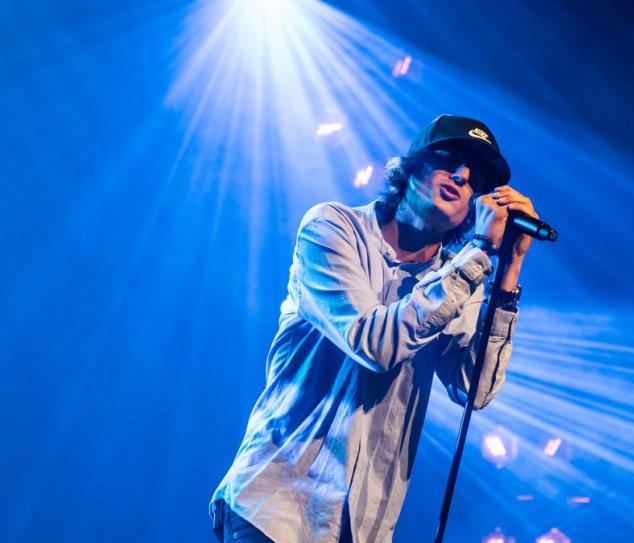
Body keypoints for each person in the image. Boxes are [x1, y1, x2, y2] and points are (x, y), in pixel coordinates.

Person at [210, 114, 538, 543]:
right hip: (276, 507)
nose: (461, 177)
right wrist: (477, 254)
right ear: (412, 166)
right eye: (451, 160)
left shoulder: (460, 282)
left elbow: (474, 389)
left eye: (475, 179)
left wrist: (509, 268)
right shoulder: (332, 228)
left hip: (361, 528)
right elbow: (373, 344)